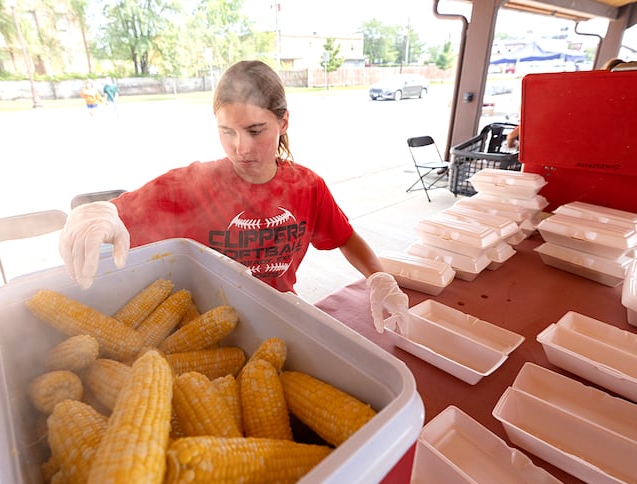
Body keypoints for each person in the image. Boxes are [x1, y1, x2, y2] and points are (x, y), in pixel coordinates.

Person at [60, 60, 405, 324]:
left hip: (280, 316)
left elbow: (345, 237)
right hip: (208, 324)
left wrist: (379, 277)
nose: (241, 148)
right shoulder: (190, 186)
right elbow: (116, 214)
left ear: (283, 122)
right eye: (227, 132)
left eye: (255, 131)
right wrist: (97, 214)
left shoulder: (308, 186)